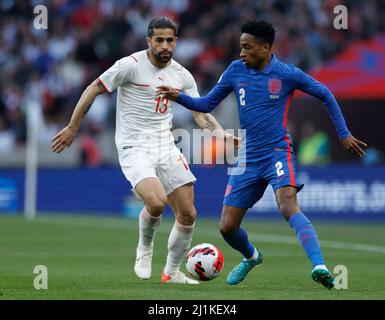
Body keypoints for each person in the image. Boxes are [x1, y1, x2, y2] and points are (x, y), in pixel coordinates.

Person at [157, 20, 367, 289]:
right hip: (247, 158)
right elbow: (207, 103)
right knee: (227, 228)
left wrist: (344, 133)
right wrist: (178, 97)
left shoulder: (287, 74)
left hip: (277, 152)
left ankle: (319, 266)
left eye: (247, 47)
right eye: (241, 47)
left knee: (288, 205)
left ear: (266, 48)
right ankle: (252, 256)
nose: (242, 53)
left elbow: (324, 93)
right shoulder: (235, 70)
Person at [51, 16, 236, 285]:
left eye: (169, 40)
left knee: (188, 214)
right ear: (149, 40)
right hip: (133, 145)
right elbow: (93, 88)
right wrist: (72, 127)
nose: (164, 45)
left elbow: (199, 112)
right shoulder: (130, 65)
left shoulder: (182, 75)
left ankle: (171, 272)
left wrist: (220, 133)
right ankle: (144, 248)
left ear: (175, 42)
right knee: (157, 201)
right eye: (158, 40)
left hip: (165, 144)